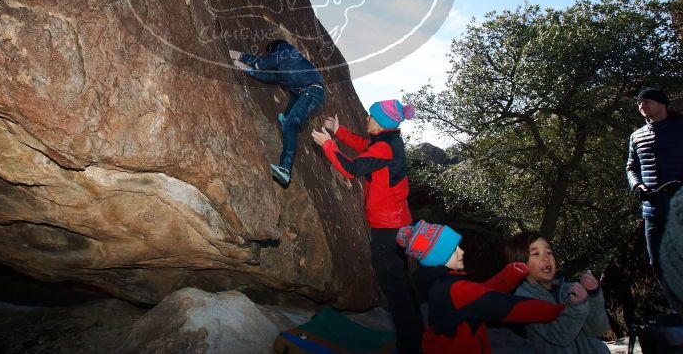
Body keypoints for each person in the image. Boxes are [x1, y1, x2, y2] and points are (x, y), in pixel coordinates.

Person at [311, 100, 423, 353]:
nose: (366, 119)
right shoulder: (390, 140)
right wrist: (340, 133)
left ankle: (410, 347)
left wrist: (328, 144)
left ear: (381, 122)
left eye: (370, 117)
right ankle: (417, 338)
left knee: (396, 292)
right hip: (399, 223)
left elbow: (352, 169)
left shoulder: (385, 146)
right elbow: (366, 148)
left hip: (388, 229)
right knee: (403, 285)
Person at [399, 220, 566, 354]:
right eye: (453, 249)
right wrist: (550, 310)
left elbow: (480, 295)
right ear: (438, 257)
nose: (461, 251)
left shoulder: (441, 282)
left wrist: (510, 275)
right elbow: (500, 306)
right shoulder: (452, 288)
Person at [230, 40, 325, 186]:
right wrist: (246, 69)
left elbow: (262, 64)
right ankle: (291, 119)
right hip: (306, 91)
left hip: (310, 90)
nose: (270, 55)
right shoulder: (285, 68)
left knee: (290, 126)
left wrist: (238, 55)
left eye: (270, 53)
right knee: (290, 118)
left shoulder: (285, 50)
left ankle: (285, 169)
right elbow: (269, 77)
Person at [504, 231, 610, 353]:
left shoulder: (568, 289)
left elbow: (599, 329)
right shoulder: (522, 299)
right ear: (520, 263)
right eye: (536, 254)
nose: (546, 258)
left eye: (549, 252)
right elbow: (559, 336)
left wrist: (593, 294)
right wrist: (577, 307)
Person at [626, 87, 683, 305]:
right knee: (658, 263)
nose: (641, 106)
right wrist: (637, 186)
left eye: (646, 101)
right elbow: (631, 167)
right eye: (639, 103)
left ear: (661, 103)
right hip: (652, 212)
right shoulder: (637, 135)